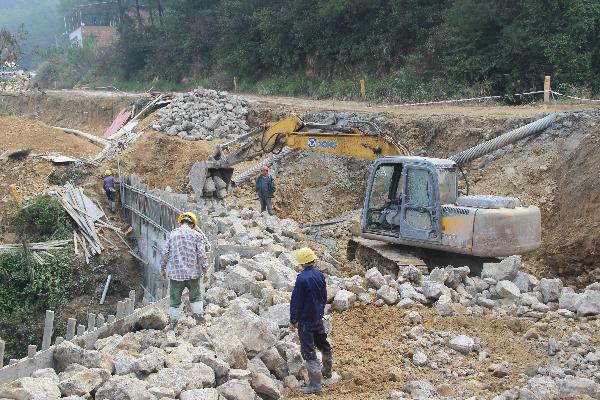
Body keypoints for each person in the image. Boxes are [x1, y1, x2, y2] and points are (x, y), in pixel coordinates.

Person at [289, 247, 332, 394]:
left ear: (301, 263)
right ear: (312, 259)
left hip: (306, 322)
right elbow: (324, 296)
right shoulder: (320, 275)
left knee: (308, 351)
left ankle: (315, 385)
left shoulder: (301, 279)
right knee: (323, 344)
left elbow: (296, 301)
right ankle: (327, 372)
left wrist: (293, 320)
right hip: (318, 318)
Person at [160, 212, 208, 330]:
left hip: (176, 276)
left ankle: (174, 325)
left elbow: (165, 253)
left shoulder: (172, 234)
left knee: (175, 300)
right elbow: (202, 255)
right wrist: (205, 271)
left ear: (181, 222)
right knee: (196, 297)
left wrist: (162, 269)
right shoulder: (197, 235)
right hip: (193, 275)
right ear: (193, 224)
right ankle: (199, 321)